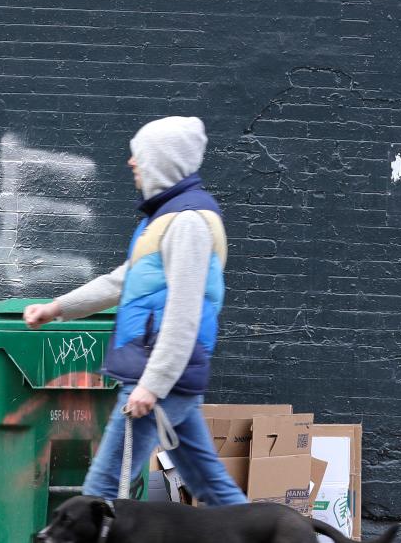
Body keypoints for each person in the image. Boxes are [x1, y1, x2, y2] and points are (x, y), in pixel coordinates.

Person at [23, 116, 247, 506]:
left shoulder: (187, 222)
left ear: (163, 161)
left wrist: (152, 386)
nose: (130, 162)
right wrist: (56, 308)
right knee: (214, 489)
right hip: (165, 377)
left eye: (139, 155)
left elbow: (184, 312)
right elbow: (120, 282)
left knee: (99, 492)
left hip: (157, 377)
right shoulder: (163, 220)